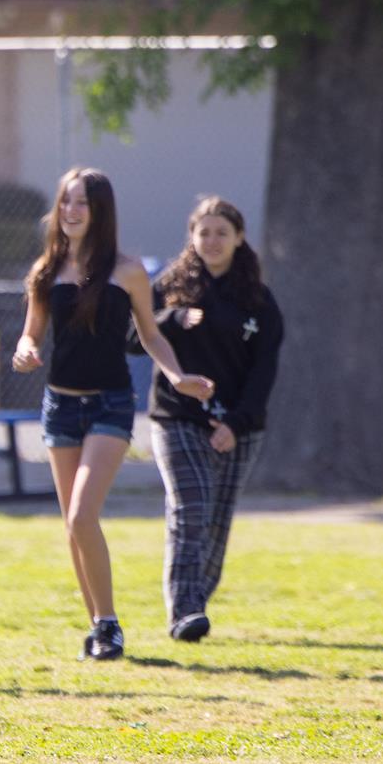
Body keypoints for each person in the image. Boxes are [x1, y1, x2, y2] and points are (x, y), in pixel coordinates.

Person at [12, 167, 213, 662]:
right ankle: (102, 628)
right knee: (72, 525)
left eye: (82, 203)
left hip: (110, 403)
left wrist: (178, 375)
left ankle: (107, 625)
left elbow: (150, 334)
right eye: (65, 202)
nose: (72, 212)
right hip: (59, 405)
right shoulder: (44, 270)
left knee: (83, 515)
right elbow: (31, 332)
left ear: (101, 211)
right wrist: (25, 349)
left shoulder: (126, 271)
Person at [140, 196, 284, 642]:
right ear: (192, 237)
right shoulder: (168, 286)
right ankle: (184, 611)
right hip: (177, 416)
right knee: (191, 506)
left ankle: (196, 600)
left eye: (222, 232)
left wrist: (235, 424)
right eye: (204, 232)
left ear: (240, 238)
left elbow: (264, 373)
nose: (213, 240)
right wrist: (172, 318)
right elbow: (133, 335)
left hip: (238, 426)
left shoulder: (258, 301)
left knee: (216, 519)